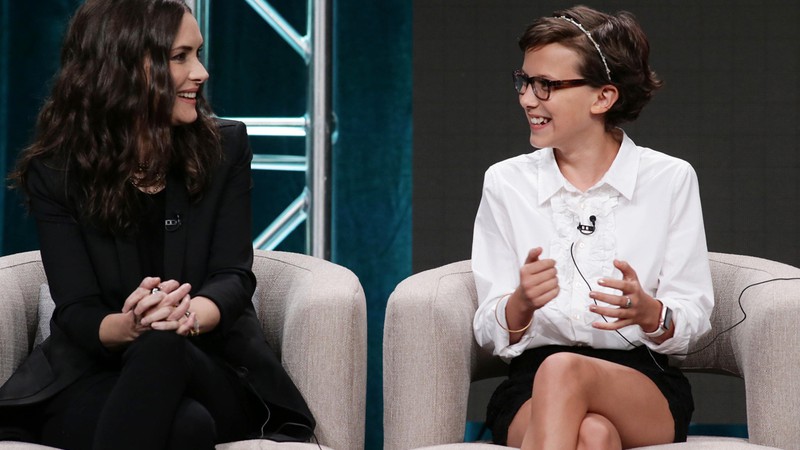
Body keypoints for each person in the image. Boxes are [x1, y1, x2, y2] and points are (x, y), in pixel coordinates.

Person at [0, 0, 315, 448]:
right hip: (98, 371)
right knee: (186, 427)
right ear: (124, 68)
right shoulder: (55, 171)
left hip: (212, 368)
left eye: (198, 54)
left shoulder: (224, 149)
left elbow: (233, 275)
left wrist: (182, 319)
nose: (201, 72)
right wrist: (131, 326)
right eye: (180, 57)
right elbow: (77, 309)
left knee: (163, 345)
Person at [471, 5, 714, 450]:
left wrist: (650, 313)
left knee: (567, 370)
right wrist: (519, 305)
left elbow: (695, 315)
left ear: (603, 97)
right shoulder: (505, 182)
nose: (527, 98)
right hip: (529, 384)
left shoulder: (671, 179)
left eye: (546, 85)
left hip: (643, 382)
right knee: (592, 435)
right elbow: (488, 326)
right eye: (524, 81)